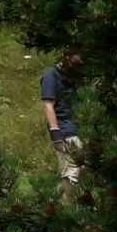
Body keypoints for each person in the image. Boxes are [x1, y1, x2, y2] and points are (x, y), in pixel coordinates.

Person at [41, 54, 84, 188]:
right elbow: (48, 106)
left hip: (80, 126)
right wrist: (56, 135)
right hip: (65, 129)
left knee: (84, 170)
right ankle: (68, 208)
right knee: (71, 174)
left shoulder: (77, 74)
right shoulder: (51, 75)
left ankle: (53, 201)